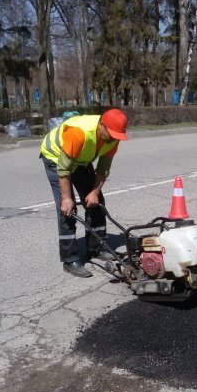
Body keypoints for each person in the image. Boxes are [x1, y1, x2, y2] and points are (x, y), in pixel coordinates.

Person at [40, 108, 128, 277]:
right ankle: (70, 259)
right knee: (67, 209)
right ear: (101, 125)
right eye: (111, 134)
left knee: (97, 202)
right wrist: (67, 198)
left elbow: (103, 169)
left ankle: (96, 248)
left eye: (117, 136)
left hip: (80, 159)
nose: (113, 139)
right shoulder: (79, 133)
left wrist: (94, 192)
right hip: (55, 157)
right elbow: (64, 168)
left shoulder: (113, 136)